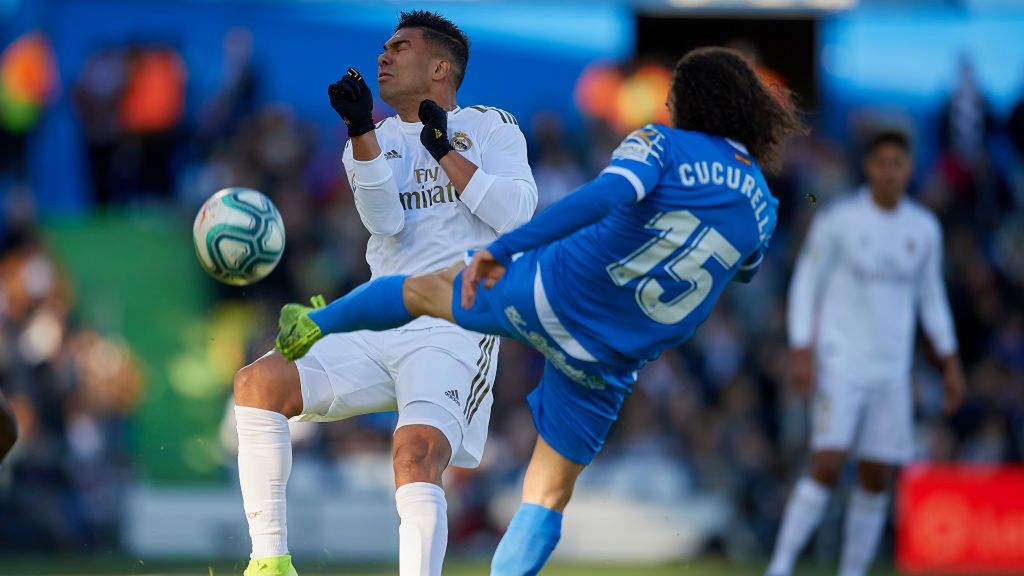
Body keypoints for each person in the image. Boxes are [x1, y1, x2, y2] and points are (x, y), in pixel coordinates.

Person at [275, 47, 803, 576]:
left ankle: (316, 323)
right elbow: (747, 268)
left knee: (424, 289)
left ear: (684, 103)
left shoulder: (661, 144)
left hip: (558, 290)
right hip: (609, 358)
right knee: (545, 498)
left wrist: (504, 249)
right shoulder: (763, 202)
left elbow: (603, 196)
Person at [234, 10, 537, 576]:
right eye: (383, 48)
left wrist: (445, 150)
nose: (383, 56)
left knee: (414, 453)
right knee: (257, 384)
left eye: (400, 47)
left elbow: (516, 216)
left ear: (441, 66)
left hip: (455, 322)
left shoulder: (492, 125)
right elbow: (385, 224)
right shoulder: (369, 143)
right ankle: (268, 561)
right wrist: (359, 132)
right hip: (380, 315)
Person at [765, 131, 966, 576]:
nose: (890, 171)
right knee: (829, 462)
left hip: (893, 370)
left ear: (909, 169)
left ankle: (852, 571)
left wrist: (950, 361)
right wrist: (803, 348)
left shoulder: (924, 229)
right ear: (868, 166)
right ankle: (780, 565)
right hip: (841, 361)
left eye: (899, 163)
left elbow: (931, 298)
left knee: (877, 475)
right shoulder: (833, 214)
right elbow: (806, 281)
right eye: (882, 162)